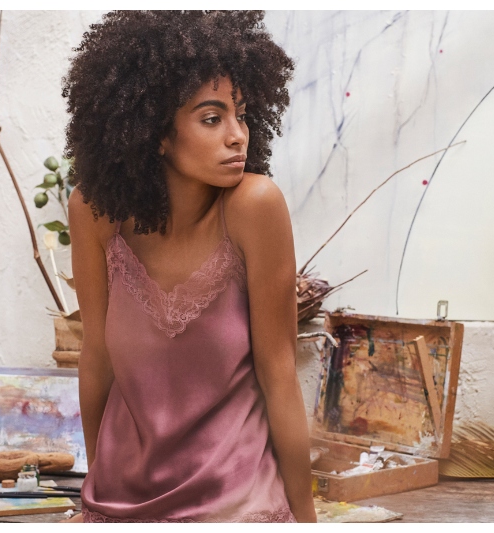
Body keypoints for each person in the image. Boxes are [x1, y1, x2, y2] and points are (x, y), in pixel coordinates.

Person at [64, 11, 316, 523]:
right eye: (211, 118)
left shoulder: (254, 207)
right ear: (156, 132)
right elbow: (97, 359)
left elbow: (280, 374)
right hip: (120, 501)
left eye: (241, 115)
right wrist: (97, 499)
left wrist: (305, 515)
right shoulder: (95, 213)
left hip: (236, 504)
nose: (237, 136)